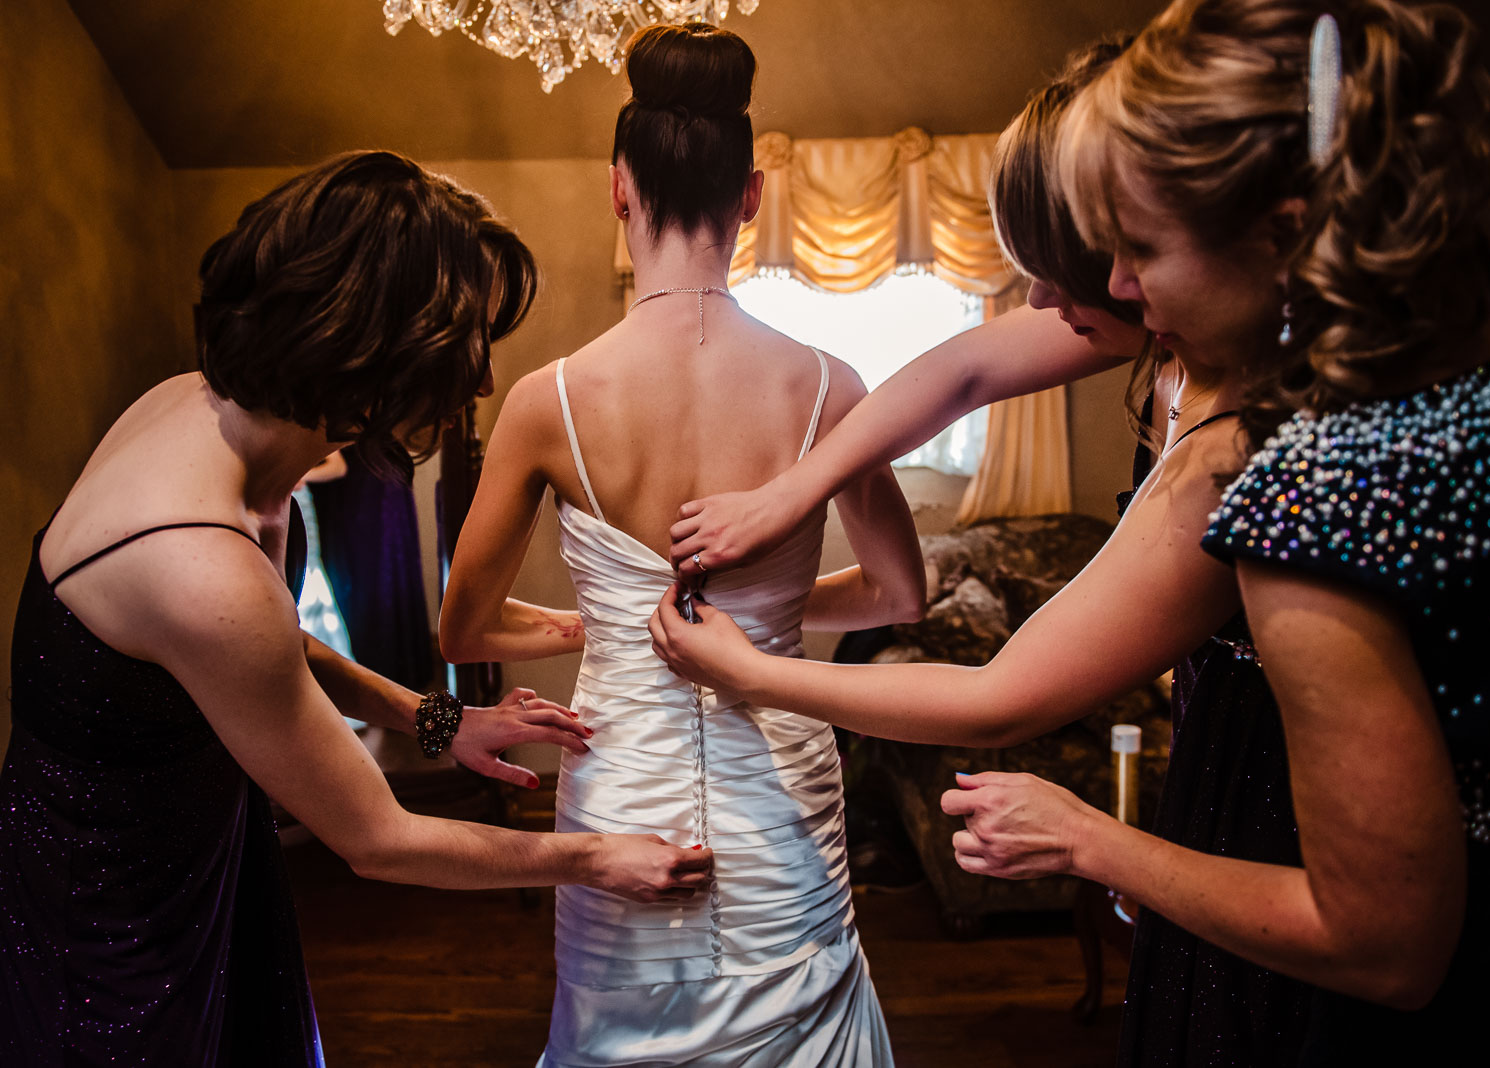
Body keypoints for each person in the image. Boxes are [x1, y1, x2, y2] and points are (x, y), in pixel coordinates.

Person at [653, 39, 1316, 1066]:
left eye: (1061, 277)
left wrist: (754, 673)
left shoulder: (1231, 449)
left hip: (1279, 789)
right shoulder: (1156, 333)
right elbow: (961, 373)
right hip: (1217, 761)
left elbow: (1003, 693)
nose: (1043, 312)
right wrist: (793, 491)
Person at [0, 150, 711, 1067]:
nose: (483, 384)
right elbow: (380, 840)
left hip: (204, 852)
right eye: (466, 349)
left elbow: (268, 650)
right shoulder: (198, 566)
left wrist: (435, 717)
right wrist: (595, 857)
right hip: (107, 920)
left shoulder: (200, 411)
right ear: (373, 348)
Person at [1045, 0, 1490, 1060]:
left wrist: (1094, 843)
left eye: (1140, 249)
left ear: (1286, 231)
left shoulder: (1317, 493)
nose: (1115, 287)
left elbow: (1382, 944)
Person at [436, 23, 925, 1067]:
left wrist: (606, 627)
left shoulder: (546, 400)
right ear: (750, 195)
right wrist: (774, 616)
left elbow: (464, 623)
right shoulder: (831, 386)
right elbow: (897, 596)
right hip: (782, 788)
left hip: (619, 785)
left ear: (620, 187)